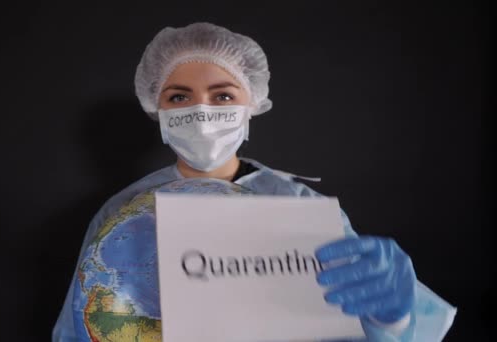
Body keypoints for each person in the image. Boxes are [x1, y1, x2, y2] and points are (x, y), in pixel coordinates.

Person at [53, 22, 456, 341]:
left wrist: (395, 321)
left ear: (252, 105)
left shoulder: (301, 209)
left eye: (223, 96)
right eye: (179, 97)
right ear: (155, 107)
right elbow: (81, 327)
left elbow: (349, 328)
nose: (201, 112)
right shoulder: (123, 213)